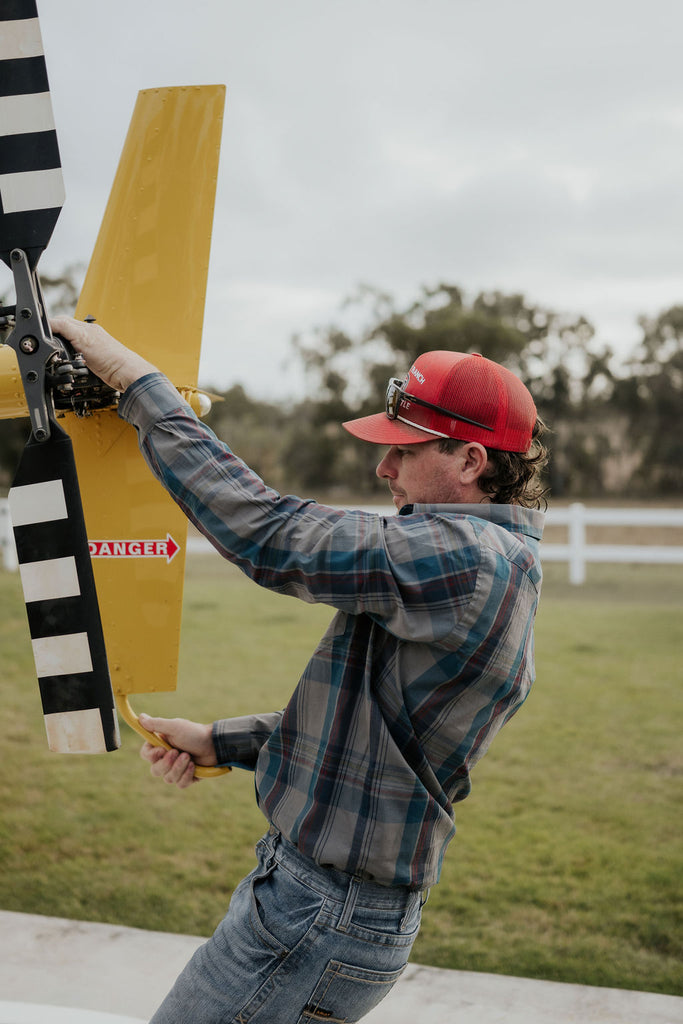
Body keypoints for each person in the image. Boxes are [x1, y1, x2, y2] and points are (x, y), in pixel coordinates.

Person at [52, 318, 548, 1024]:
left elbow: (270, 533)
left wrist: (140, 388)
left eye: (403, 451)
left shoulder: (461, 556)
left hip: (317, 914)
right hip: (328, 908)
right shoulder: (489, 559)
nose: (384, 469)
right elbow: (373, 734)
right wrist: (222, 741)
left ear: (470, 462)